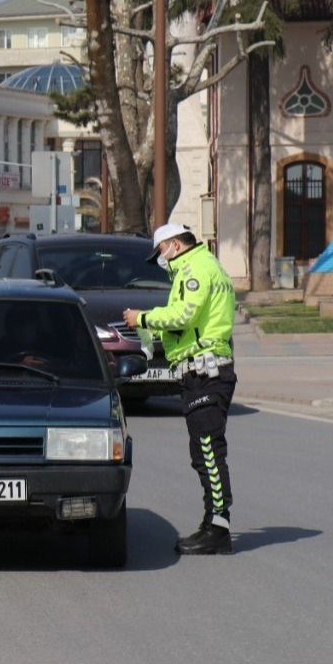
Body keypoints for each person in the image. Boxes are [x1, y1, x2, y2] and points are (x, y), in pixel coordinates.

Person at [123, 223, 238, 555]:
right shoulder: (204, 266)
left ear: (173, 245)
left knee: (208, 451)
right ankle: (213, 522)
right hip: (202, 370)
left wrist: (142, 319)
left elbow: (184, 315)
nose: (160, 259)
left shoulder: (196, 269)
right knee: (202, 452)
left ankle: (218, 527)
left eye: (160, 251)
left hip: (207, 373)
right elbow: (193, 324)